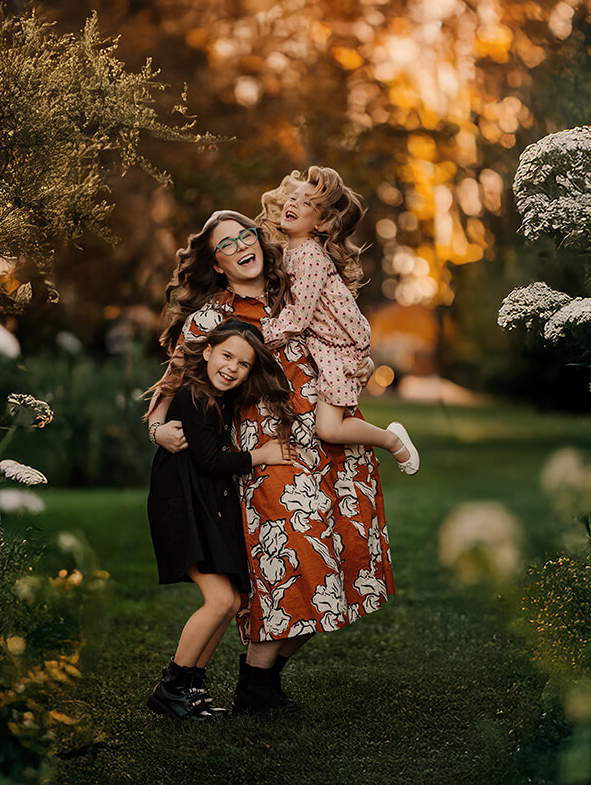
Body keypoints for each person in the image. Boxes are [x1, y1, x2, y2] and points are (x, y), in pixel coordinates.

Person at [147, 210, 394, 716]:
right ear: (215, 263)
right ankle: (250, 685)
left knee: (345, 568)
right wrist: (156, 427)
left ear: (259, 239)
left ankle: (259, 685)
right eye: (226, 243)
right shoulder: (212, 318)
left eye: (246, 234)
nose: (241, 245)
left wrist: (361, 365)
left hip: (333, 445)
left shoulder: (298, 288)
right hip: (271, 454)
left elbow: (347, 342)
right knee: (299, 569)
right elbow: (171, 386)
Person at [143, 318, 296, 721]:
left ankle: (191, 685)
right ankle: (171, 687)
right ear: (208, 351)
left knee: (230, 602)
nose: (232, 367)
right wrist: (261, 456)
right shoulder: (195, 396)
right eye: (226, 355)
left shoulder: (216, 397)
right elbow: (209, 460)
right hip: (181, 508)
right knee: (220, 600)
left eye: (243, 364)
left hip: (201, 507)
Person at [259, 166, 419, 475]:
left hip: (340, 349)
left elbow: (297, 318)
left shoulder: (310, 256)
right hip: (326, 344)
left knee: (330, 429)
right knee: (329, 426)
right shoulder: (290, 252)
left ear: (320, 222)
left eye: (306, 203)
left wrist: (259, 334)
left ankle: (391, 439)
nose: (293, 204)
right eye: (294, 198)